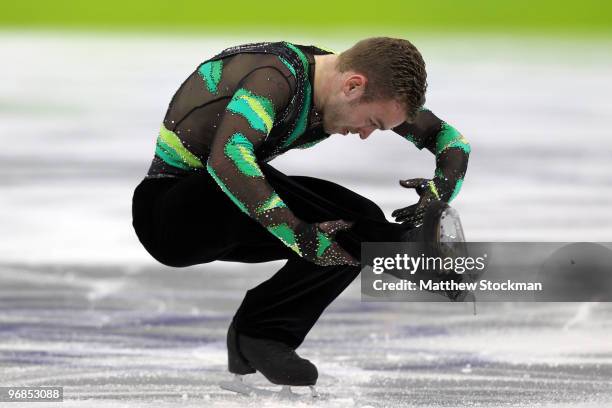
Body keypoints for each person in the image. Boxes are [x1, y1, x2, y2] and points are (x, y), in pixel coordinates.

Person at [131, 37, 470, 392]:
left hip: (230, 216)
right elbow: (228, 157)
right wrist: (296, 231)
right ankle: (402, 249)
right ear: (353, 86)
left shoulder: (341, 83)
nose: (367, 134)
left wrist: (439, 192)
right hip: (171, 217)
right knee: (341, 220)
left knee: (352, 223)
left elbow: (451, 140)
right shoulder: (275, 77)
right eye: (372, 121)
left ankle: (261, 334)